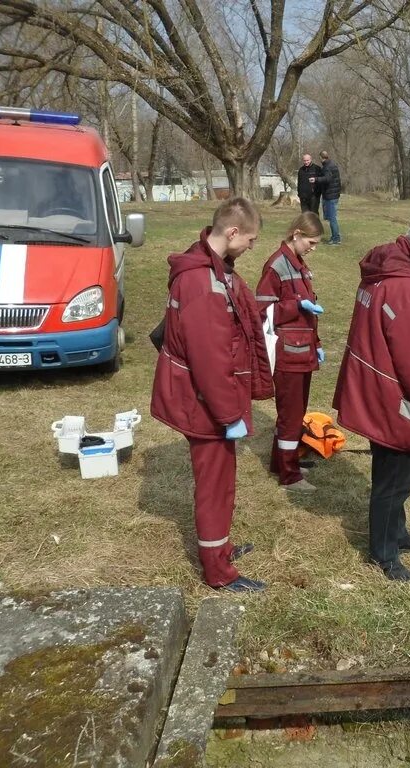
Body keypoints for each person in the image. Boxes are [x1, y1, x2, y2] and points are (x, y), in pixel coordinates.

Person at [151, 197, 273, 592]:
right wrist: (227, 415)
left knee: (222, 479)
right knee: (214, 484)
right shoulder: (202, 283)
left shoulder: (214, 271)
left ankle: (220, 547)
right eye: (250, 240)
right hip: (205, 405)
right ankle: (217, 571)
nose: (252, 248)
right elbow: (208, 358)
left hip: (213, 402)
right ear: (232, 232)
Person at [333, 220, 410, 581]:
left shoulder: (379, 272)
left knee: (396, 470)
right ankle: (384, 553)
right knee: (394, 479)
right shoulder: (408, 290)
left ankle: (397, 532)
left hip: (373, 389)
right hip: (393, 398)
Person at [255, 211, 325, 492]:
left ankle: (283, 460)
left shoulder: (299, 265)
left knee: (296, 412)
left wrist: (317, 344)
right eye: (311, 242)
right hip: (288, 353)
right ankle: (288, 474)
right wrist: (295, 307)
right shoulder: (276, 266)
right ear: (296, 234)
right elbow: (261, 310)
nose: (313, 248)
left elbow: (309, 314)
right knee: (290, 414)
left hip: (303, 351)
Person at [316, 150, 342, 245]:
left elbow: (327, 179)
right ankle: (335, 236)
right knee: (331, 217)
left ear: (321, 157)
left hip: (330, 196)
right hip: (333, 195)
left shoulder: (327, 167)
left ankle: (336, 238)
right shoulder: (332, 164)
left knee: (332, 218)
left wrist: (316, 179)